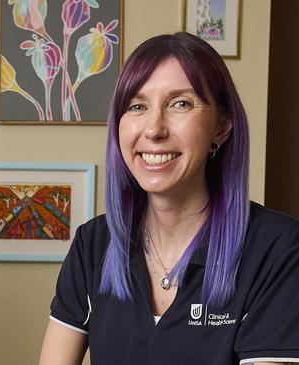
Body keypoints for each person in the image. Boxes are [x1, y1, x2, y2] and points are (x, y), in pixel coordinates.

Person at [39, 32, 299, 365]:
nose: (154, 129)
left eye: (181, 103)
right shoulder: (93, 245)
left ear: (221, 126)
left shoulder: (277, 250)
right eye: (137, 106)